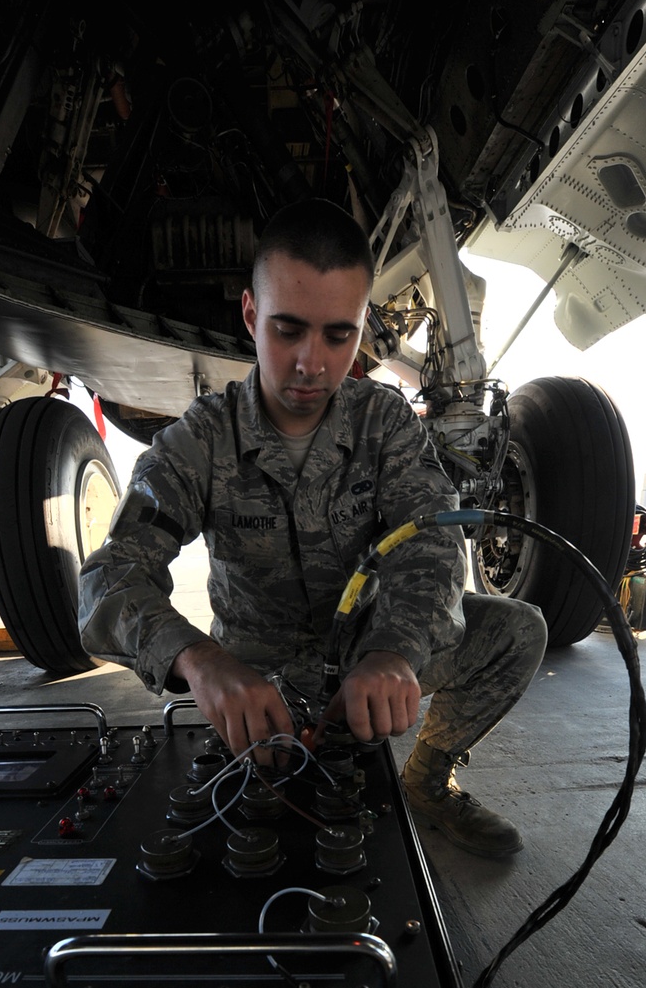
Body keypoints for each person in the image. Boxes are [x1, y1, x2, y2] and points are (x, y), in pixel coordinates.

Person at [78, 200, 547, 857]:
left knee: (517, 632)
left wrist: (396, 651)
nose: (311, 363)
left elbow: (435, 542)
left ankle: (428, 779)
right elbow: (107, 577)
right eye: (287, 329)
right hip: (255, 692)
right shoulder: (198, 440)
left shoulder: (384, 424)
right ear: (249, 315)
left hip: (366, 668)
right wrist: (201, 663)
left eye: (337, 335)